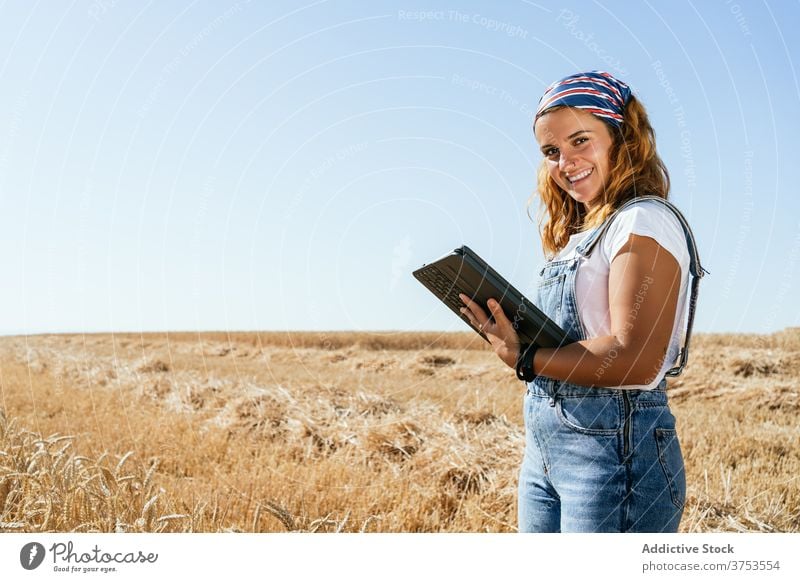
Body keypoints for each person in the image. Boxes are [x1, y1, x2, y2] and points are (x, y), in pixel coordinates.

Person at [458, 71, 707, 533]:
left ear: (620, 138)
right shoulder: (578, 238)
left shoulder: (644, 220)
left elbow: (634, 359)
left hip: (614, 454)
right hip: (546, 451)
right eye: (551, 152)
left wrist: (526, 357)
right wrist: (512, 337)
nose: (565, 162)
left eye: (580, 141)